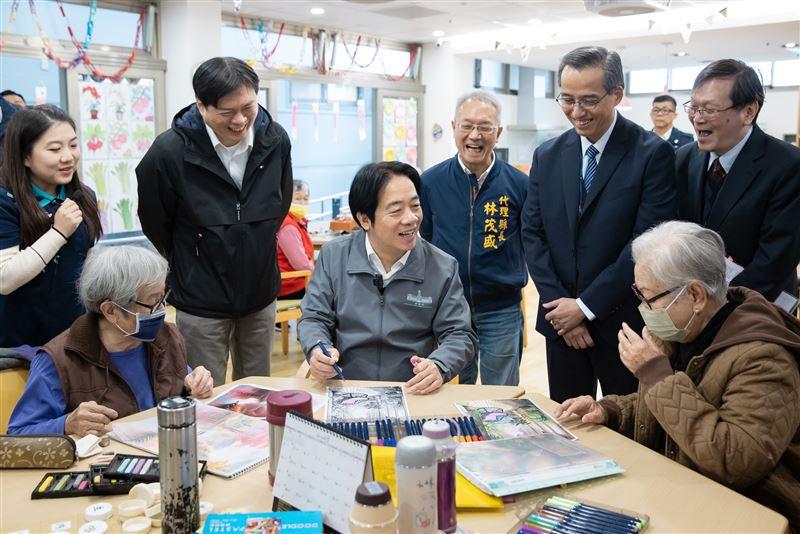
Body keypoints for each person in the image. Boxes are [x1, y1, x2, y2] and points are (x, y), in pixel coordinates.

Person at [556, 221, 800, 531]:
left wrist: (656, 376)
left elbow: (736, 461)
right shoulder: (686, 329)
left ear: (696, 295)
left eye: (649, 297)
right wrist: (609, 410)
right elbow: (671, 412)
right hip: (677, 489)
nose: (644, 308)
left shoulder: (764, 358)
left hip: (744, 512)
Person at [521, 46, 676, 402]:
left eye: (589, 100)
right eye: (567, 99)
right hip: (560, 322)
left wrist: (586, 307)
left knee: (626, 425)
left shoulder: (651, 154)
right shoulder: (548, 154)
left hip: (622, 324)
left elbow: (646, 245)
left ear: (617, 94)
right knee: (568, 422)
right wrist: (562, 306)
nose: (577, 112)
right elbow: (533, 233)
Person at [137, 57, 293, 386]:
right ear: (201, 106)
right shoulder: (168, 152)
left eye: (248, 107)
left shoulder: (274, 140)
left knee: (258, 390)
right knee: (206, 393)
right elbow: (155, 221)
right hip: (200, 299)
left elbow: (281, 202)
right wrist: (194, 254)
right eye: (226, 112)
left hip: (260, 293)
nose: (240, 120)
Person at [298, 161, 477, 394]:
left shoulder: (442, 267)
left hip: (411, 391)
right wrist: (317, 350)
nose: (411, 218)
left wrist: (438, 365)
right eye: (396, 210)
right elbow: (313, 317)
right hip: (345, 388)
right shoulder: (335, 256)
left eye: (415, 206)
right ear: (364, 219)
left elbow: (459, 334)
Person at [8, 245, 214, 436]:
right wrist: (66, 424)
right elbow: (18, 433)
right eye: (152, 302)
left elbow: (181, 382)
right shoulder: (59, 360)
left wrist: (195, 384)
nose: (161, 311)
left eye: (162, 298)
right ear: (111, 310)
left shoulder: (166, 336)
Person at [420, 90, 528, 386]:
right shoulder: (430, 182)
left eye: (485, 127)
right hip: (449, 309)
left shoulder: (520, 184)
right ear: (454, 127)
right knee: (453, 389)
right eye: (467, 125)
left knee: (501, 395)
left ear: (499, 132)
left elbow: (531, 242)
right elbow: (426, 239)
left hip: (501, 308)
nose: (475, 135)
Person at [676, 59, 800, 301]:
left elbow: (773, 262)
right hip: (693, 304)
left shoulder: (788, 166)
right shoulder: (682, 159)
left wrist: (714, 308)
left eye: (709, 109)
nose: (697, 118)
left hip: (757, 306)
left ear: (748, 112)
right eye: (693, 107)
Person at [0, 105, 102, 347]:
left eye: (73, 145)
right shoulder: (5, 199)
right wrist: (58, 233)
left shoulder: (83, 195)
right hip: (18, 344)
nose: (68, 157)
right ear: (25, 156)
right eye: (55, 149)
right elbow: (4, 279)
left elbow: (84, 259)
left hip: (73, 337)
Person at [277, 179, 314, 300]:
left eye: (305, 199)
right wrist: (320, 275)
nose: (302, 203)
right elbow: (301, 264)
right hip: (289, 284)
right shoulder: (288, 226)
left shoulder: (296, 221)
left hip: (293, 280)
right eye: (297, 199)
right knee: (331, 294)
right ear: (286, 198)